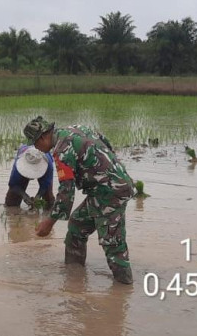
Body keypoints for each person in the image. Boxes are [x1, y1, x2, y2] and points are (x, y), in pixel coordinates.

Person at [24, 116, 135, 285]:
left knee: (112, 243)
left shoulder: (62, 151)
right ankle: (74, 278)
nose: (36, 148)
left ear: (43, 137)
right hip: (105, 188)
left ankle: (124, 292)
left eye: (35, 143)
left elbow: (66, 192)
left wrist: (49, 222)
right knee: (77, 225)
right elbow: (106, 144)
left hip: (110, 192)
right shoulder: (76, 128)